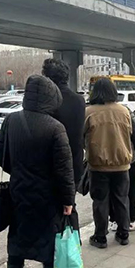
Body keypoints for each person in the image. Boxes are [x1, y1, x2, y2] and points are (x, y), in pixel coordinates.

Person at [0, 75, 75, 268]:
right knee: (48, 239)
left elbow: (0, 155)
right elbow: (64, 170)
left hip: (18, 192)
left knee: (17, 238)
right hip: (48, 196)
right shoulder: (55, 128)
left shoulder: (11, 120)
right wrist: (68, 200)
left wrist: (19, 172)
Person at [84, 78, 132, 248]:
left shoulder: (89, 112)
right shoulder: (124, 111)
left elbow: (81, 136)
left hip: (98, 164)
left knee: (100, 201)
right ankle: (123, 233)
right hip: (122, 163)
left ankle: (100, 236)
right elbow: (133, 134)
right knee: (121, 199)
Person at [42, 58, 86, 186]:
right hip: (73, 165)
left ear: (47, 78)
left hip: (49, 167)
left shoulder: (45, 100)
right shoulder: (79, 100)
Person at [109, 108, 135, 231]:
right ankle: (132, 219)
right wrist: (132, 146)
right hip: (127, 157)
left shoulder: (94, 111)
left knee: (110, 191)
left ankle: (113, 220)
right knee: (129, 190)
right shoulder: (125, 110)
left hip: (105, 159)